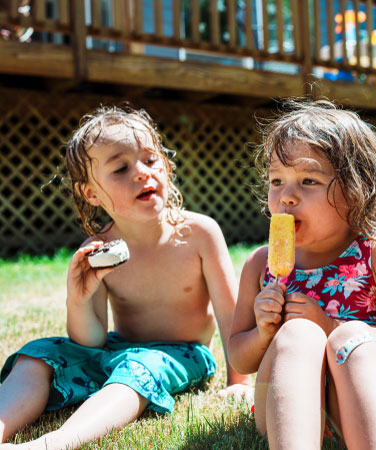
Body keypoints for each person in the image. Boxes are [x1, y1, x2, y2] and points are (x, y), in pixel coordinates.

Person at [0, 106, 250, 449]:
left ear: (167, 166)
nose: (142, 173)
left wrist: (239, 381)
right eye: (121, 168)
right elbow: (91, 342)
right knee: (36, 354)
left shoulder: (200, 234)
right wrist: (79, 298)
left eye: (151, 160)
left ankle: (57, 442)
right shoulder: (100, 250)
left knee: (136, 367)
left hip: (184, 353)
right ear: (91, 193)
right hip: (118, 347)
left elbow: (229, 313)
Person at [228, 100, 376, 449]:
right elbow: (240, 357)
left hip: (360, 406)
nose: (286, 196)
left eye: (308, 180)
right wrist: (262, 331)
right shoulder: (261, 265)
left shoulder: (375, 255)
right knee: (299, 334)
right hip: (283, 410)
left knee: (353, 337)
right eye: (276, 180)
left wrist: (332, 328)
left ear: (356, 189)